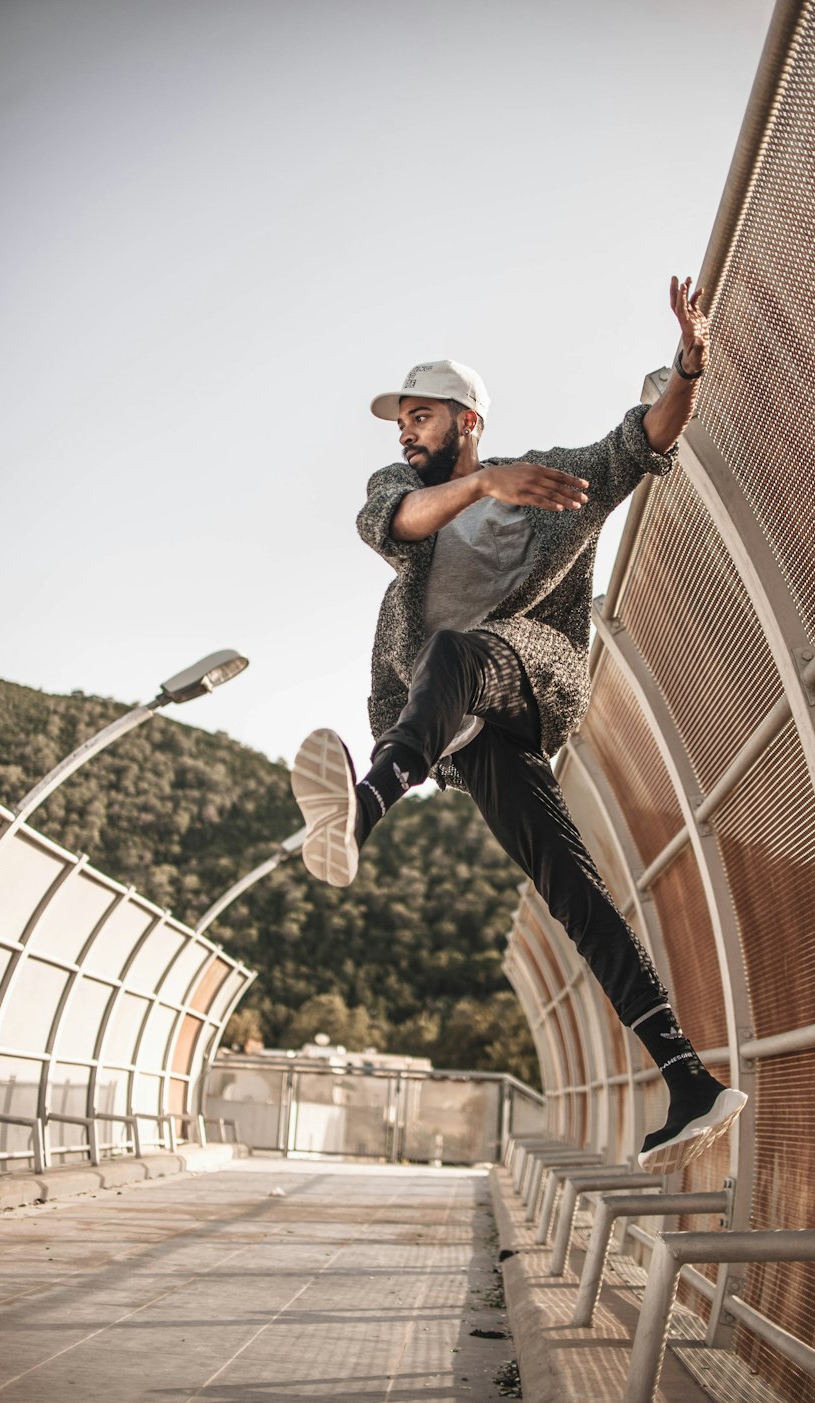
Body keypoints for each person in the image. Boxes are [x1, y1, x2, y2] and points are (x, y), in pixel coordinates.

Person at [290, 277, 746, 1173]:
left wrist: (691, 362)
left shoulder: (549, 485)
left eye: (419, 418)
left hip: (529, 683)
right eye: (400, 423)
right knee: (572, 889)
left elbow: (642, 440)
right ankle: (690, 1080)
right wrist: (481, 484)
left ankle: (369, 804)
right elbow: (395, 521)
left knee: (462, 649)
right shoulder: (402, 489)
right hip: (456, 727)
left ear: (466, 419)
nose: (404, 435)